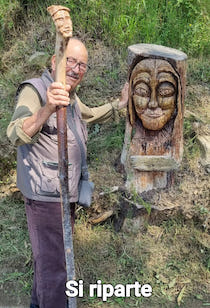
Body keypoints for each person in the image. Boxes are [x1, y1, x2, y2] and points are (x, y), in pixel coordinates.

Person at [7, 38, 128, 308]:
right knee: (55, 269)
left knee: (49, 260)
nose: (75, 68)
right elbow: (15, 133)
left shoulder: (71, 96)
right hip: (45, 198)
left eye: (82, 64)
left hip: (63, 195)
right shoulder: (35, 90)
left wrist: (119, 105)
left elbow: (87, 115)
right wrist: (48, 107)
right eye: (70, 61)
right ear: (54, 62)